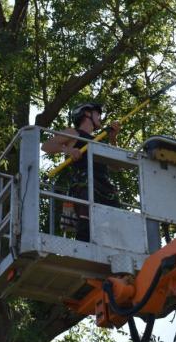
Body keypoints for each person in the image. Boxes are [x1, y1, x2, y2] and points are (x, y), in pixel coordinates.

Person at [41, 102, 121, 242]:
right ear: (87, 113)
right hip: (85, 185)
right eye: (98, 114)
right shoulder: (74, 133)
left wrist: (113, 138)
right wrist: (68, 150)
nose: (100, 118)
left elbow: (116, 166)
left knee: (115, 228)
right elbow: (47, 146)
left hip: (105, 189)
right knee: (86, 229)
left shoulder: (98, 142)